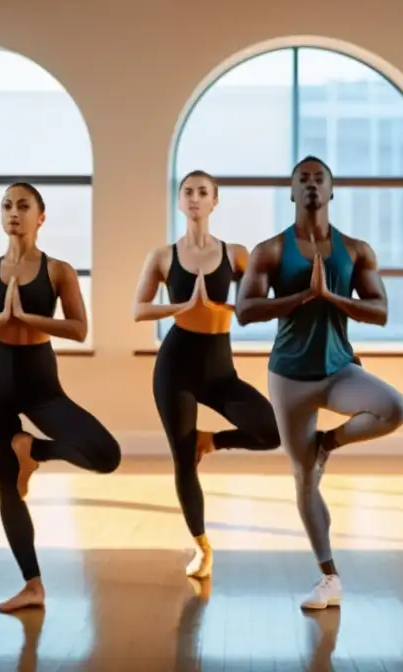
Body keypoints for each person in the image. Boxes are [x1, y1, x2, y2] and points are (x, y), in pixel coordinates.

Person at [236, 155, 403, 611]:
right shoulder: (269, 250)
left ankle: (328, 442)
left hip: (338, 371)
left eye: (319, 179)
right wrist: (300, 297)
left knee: (394, 409)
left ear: (331, 192)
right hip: (289, 377)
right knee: (303, 478)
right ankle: (329, 577)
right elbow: (245, 310)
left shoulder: (356, 250)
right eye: (303, 179)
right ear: (292, 192)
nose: (311, 185)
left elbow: (381, 311)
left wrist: (332, 297)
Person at [0, 182, 121, 613]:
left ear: (40, 217)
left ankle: (34, 450)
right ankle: (32, 585)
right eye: (7, 205)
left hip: (41, 382)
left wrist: (27, 317)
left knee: (106, 454)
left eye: (23, 206)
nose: (13, 212)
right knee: (7, 488)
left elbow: (80, 328)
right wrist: (0, 319)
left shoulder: (58, 270)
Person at [132, 170, 280, 580]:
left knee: (273, 431)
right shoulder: (162, 256)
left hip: (219, 369)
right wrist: (180, 307)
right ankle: (202, 547)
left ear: (215, 202)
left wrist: (223, 309)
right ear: (180, 203)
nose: (194, 198)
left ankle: (210, 441)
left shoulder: (236, 254)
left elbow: (259, 305)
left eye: (202, 192)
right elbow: (138, 308)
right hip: (175, 365)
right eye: (187, 192)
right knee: (183, 463)